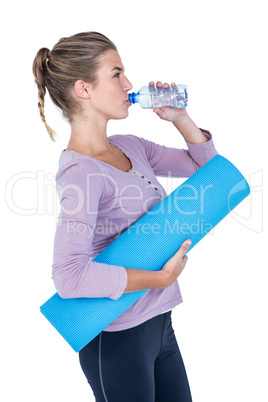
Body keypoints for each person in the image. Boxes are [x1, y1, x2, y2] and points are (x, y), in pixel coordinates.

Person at [33, 31, 218, 402]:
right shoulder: (81, 173)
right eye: (116, 74)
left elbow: (210, 172)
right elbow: (68, 277)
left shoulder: (131, 146)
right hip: (115, 337)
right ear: (84, 89)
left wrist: (181, 118)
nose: (129, 84)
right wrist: (160, 277)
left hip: (159, 325)